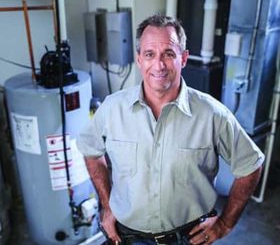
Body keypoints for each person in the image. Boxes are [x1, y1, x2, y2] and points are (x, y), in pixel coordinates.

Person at [77, 14, 264, 245]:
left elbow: (251, 166)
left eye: (169, 54)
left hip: (189, 238)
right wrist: (106, 205)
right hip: (126, 237)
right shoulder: (112, 108)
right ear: (139, 59)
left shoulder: (213, 115)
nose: (159, 65)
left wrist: (225, 223)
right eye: (149, 54)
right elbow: (90, 150)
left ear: (183, 58)